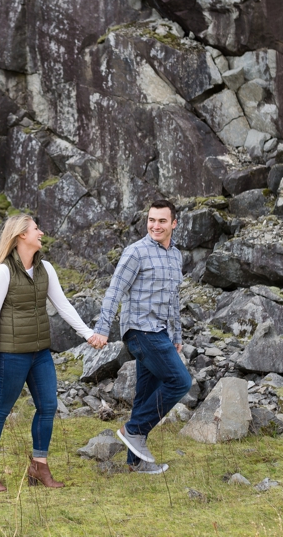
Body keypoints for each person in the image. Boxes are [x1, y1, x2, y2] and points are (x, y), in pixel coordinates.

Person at [0, 213, 95, 491]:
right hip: (11, 354)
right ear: (22, 236)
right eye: (36, 229)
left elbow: (63, 306)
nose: (41, 233)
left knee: (48, 407)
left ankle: (38, 467)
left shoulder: (45, 269)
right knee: (0, 410)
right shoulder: (3, 271)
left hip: (40, 353)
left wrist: (88, 334)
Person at [87, 199, 188, 475]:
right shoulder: (136, 252)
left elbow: (173, 299)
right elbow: (115, 290)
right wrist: (103, 328)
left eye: (162, 221)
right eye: (151, 220)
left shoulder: (176, 256)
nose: (156, 225)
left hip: (161, 333)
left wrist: (176, 333)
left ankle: (136, 463)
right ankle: (133, 430)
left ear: (173, 223)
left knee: (144, 396)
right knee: (180, 381)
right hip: (140, 331)